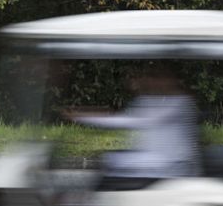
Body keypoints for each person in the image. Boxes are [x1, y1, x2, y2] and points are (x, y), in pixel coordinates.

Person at [66, 65, 200, 186]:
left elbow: (133, 120)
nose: (154, 82)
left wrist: (83, 116)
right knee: (110, 159)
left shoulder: (181, 103)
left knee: (112, 161)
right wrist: (86, 115)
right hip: (152, 161)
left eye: (159, 78)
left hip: (174, 165)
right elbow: (122, 117)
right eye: (152, 78)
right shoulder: (146, 100)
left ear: (172, 80)